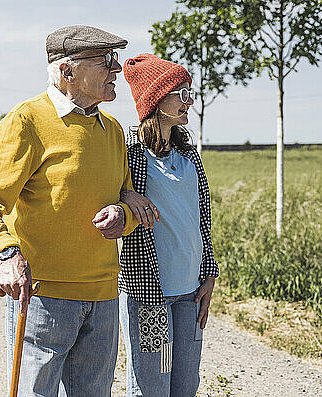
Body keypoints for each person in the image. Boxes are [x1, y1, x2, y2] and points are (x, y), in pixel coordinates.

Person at [0, 25, 140, 397]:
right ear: (68, 72)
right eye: (106, 62)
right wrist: (7, 253)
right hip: (44, 296)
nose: (117, 70)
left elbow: (128, 201)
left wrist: (123, 215)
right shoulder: (26, 120)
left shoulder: (111, 129)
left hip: (104, 295)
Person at [117, 53, 219, 397]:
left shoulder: (189, 156)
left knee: (186, 386)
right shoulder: (131, 158)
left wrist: (210, 272)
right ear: (156, 99)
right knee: (152, 388)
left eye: (190, 91)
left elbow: (202, 219)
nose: (189, 99)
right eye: (181, 92)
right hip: (150, 295)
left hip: (191, 294)